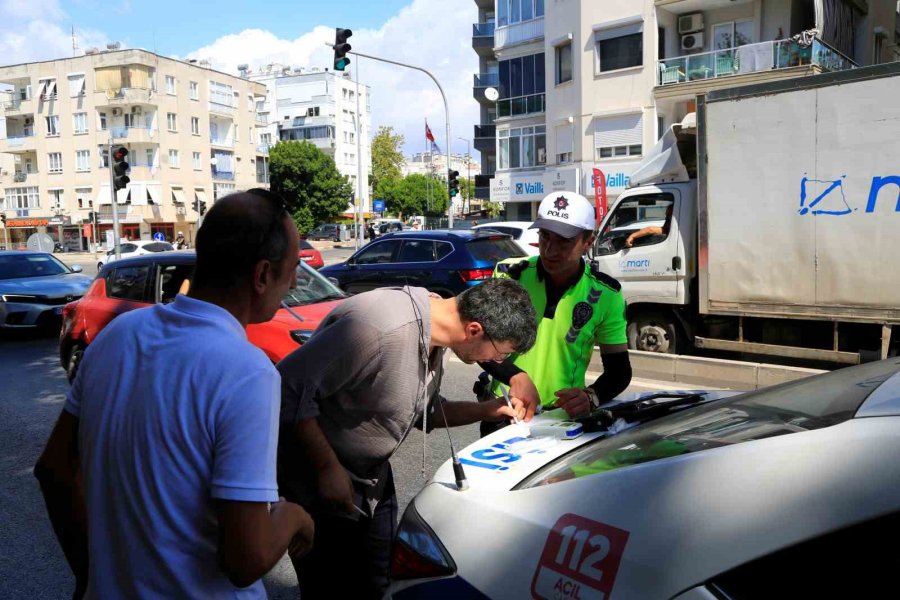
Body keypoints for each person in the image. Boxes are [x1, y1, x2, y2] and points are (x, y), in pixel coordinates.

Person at [34, 189, 314, 599]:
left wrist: (89, 575)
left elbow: (53, 468)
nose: (293, 283)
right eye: (292, 271)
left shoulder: (117, 336)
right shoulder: (247, 372)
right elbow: (244, 560)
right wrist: (294, 517)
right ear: (262, 275)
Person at [277, 278, 538, 599]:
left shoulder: (436, 331)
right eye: (500, 355)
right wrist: (326, 468)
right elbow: (287, 387)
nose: (497, 363)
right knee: (331, 589)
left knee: (380, 584)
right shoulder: (379, 328)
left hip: (371, 483)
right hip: (320, 486)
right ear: (473, 330)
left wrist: (487, 410)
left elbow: (422, 410)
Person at [479, 191, 632, 435]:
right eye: (545, 237)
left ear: (587, 242)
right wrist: (515, 376)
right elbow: (479, 344)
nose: (550, 250)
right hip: (505, 412)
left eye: (564, 241)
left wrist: (591, 397)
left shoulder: (606, 294)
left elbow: (619, 371)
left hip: (564, 422)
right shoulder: (510, 276)